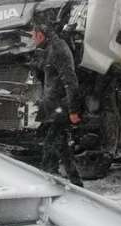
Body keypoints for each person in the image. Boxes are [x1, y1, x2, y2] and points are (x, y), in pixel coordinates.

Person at [30, 18, 84, 186]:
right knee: (61, 145)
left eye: (33, 36)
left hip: (61, 107)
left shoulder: (58, 50)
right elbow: (47, 72)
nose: (32, 39)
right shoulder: (49, 47)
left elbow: (70, 81)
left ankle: (49, 178)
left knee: (52, 143)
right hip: (53, 107)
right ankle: (73, 181)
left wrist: (74, 110)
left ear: (40, 35)